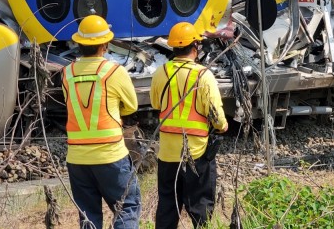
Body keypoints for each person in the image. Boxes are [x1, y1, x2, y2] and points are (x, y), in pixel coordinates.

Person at [63, 15, 141, 229]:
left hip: (77, 158)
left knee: (88, 216)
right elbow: (132, 106)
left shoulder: (66, 73)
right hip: (111, 156)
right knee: (127, 207)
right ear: (105, 45)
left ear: (79, 43)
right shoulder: (114, 72)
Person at [150, 22, 228, 229]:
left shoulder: (160, 73)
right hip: (196, 154)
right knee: (200, 208)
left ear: (173, 48)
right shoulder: (203, 75)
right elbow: (216, 116)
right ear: (195, 48)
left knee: (167, 206)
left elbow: (156, 104)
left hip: (167, 154)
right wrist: (222, 126)